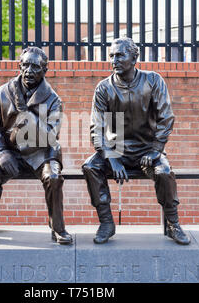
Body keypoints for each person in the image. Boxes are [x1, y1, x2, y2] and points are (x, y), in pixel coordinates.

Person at [82, 37, 191, 245]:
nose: (114, 60)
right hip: (115, 150)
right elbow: (97, 128)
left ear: (134, 57)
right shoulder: (104, 88)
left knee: (164, 173)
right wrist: (111, 156)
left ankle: (173, 223)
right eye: (111, 56)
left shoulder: (153, 81)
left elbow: (166, 117)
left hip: (147, 150)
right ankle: (106, 222)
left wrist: (156, 150)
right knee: (90, 166)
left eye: (120, 55)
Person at [0, 47, 73, 245]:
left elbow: (50, 136)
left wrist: (25, 114)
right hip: (11, 152)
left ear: (45, 70)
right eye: (25, 65)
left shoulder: (53, 99)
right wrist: (2, 153)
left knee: (53, 178)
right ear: (19, 66)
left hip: (42, 152)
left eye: (35, 66)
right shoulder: (2, 93)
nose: (28, 70)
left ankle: (58, 228)